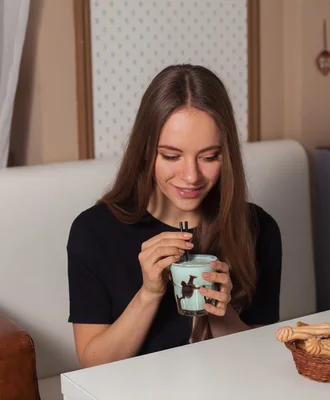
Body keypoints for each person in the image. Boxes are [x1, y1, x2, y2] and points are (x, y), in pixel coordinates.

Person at [67, 64, 282, 368]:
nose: (191, 176)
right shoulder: (94, 231)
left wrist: (221, 312)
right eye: (171, 156)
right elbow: (93, 362)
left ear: (227, 155)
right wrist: (149, 293)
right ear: (145, 151)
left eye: (209, 157)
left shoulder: (259, 229)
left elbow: (260, 358)